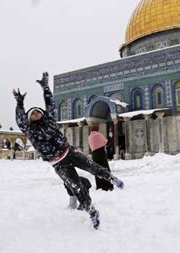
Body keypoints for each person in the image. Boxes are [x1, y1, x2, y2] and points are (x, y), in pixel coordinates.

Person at [12, 72, 124, 229]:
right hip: (58, 163)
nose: (36, 114)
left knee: (92, 167)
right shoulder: (30, 130)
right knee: (77, 187)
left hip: (69, 152)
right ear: (30, 118)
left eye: (38, 111)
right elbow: (20, 121)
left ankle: (112, 178)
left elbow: (50, 104)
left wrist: (45, 87)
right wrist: (19, 104)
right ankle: (92, 212)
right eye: (33, 114)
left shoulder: (49, 120)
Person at [88, 123, 114, 191]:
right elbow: (105, 142)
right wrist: (110, 137)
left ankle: (99, 185)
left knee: (97, 170)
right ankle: (107, 185)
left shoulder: (89, 137)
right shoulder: (98, 134)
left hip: (94, 155)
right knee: (104, 168)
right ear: (97, 129)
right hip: (100, 153)